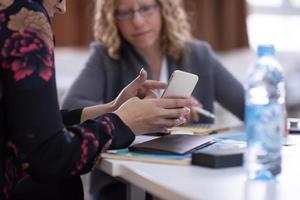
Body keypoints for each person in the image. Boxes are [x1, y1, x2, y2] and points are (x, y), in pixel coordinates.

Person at [0, 0, 192, 199]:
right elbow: (49, 156)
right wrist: (123, 122)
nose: (63, 7)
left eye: (146, 9)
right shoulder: (26, 17)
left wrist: (113, 108)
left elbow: (27, 125)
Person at [61, 0, 245, 199]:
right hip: (122, 185)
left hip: (192, 179)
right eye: (124, 13)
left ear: (164, 8)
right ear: (112, 19)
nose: (138, 21)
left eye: (146, 8)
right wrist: (127, 112)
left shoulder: (199, 54)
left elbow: (251, 107)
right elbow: (70, 109)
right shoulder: (105, 56)